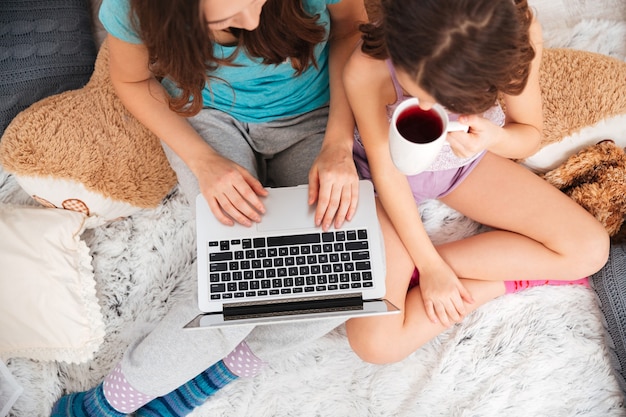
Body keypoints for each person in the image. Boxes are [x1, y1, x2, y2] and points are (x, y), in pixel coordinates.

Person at [52, 0, 366, 415]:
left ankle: (208, 377)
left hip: (317, 117)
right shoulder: (132, 8)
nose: (253, 21)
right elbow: (132, 81)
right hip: (207, 115)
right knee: (238, 280)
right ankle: (107, 403)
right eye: (225, 21)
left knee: (345, 278)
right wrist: (203, 161)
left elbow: (351, 30)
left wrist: (339, 143)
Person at [342, 0, 610, 364]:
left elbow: (528, 133)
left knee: (590, 248)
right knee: (374, 344)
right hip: (381, 184)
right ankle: (459, 271)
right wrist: (431, 267)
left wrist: (493, 139)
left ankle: (473, 276)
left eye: (442, 97)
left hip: (464, 168)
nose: (423, 103)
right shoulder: (367, 66)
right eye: (417, 87)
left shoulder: (513, 40)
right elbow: (388, 173)